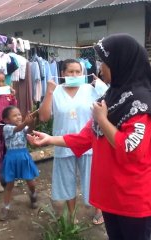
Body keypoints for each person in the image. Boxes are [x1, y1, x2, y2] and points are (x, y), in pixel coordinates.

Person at [28, 33, 151, 240]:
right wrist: (49, 139)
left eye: (104, 62)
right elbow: (86, 137)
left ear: (120, 63)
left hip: (132, 199)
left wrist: (103, 120)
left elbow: (131, 149)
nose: (99, 68)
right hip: (110, 195)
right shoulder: (111, 95)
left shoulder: (141, 103)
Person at [38, 59, 108, 225]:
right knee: (67, 180)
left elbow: (110, 100)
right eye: (71, 71)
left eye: (78, 71)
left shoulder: (90, 89)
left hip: (88, 144)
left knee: (93, 179)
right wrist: (48, 92)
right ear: (62, 73)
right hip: (63, 144)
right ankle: (72, 214)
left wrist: (100, 84)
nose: (75, 75)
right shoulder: (55, 92)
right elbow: (43, 117)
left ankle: (100, 209)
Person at [0, 106, 39, 221]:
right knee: (9, 185)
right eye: (15, 115)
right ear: (6, 120)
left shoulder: (24, 126)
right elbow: (18, 129)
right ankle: (6, 207)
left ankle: (33, 194)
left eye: (19, 114)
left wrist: (31, 121)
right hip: (11, 159)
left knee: (31, 182)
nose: (18, 117)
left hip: (24, 158)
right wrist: (25, 122)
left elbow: (30, 130)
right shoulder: (6, 128)